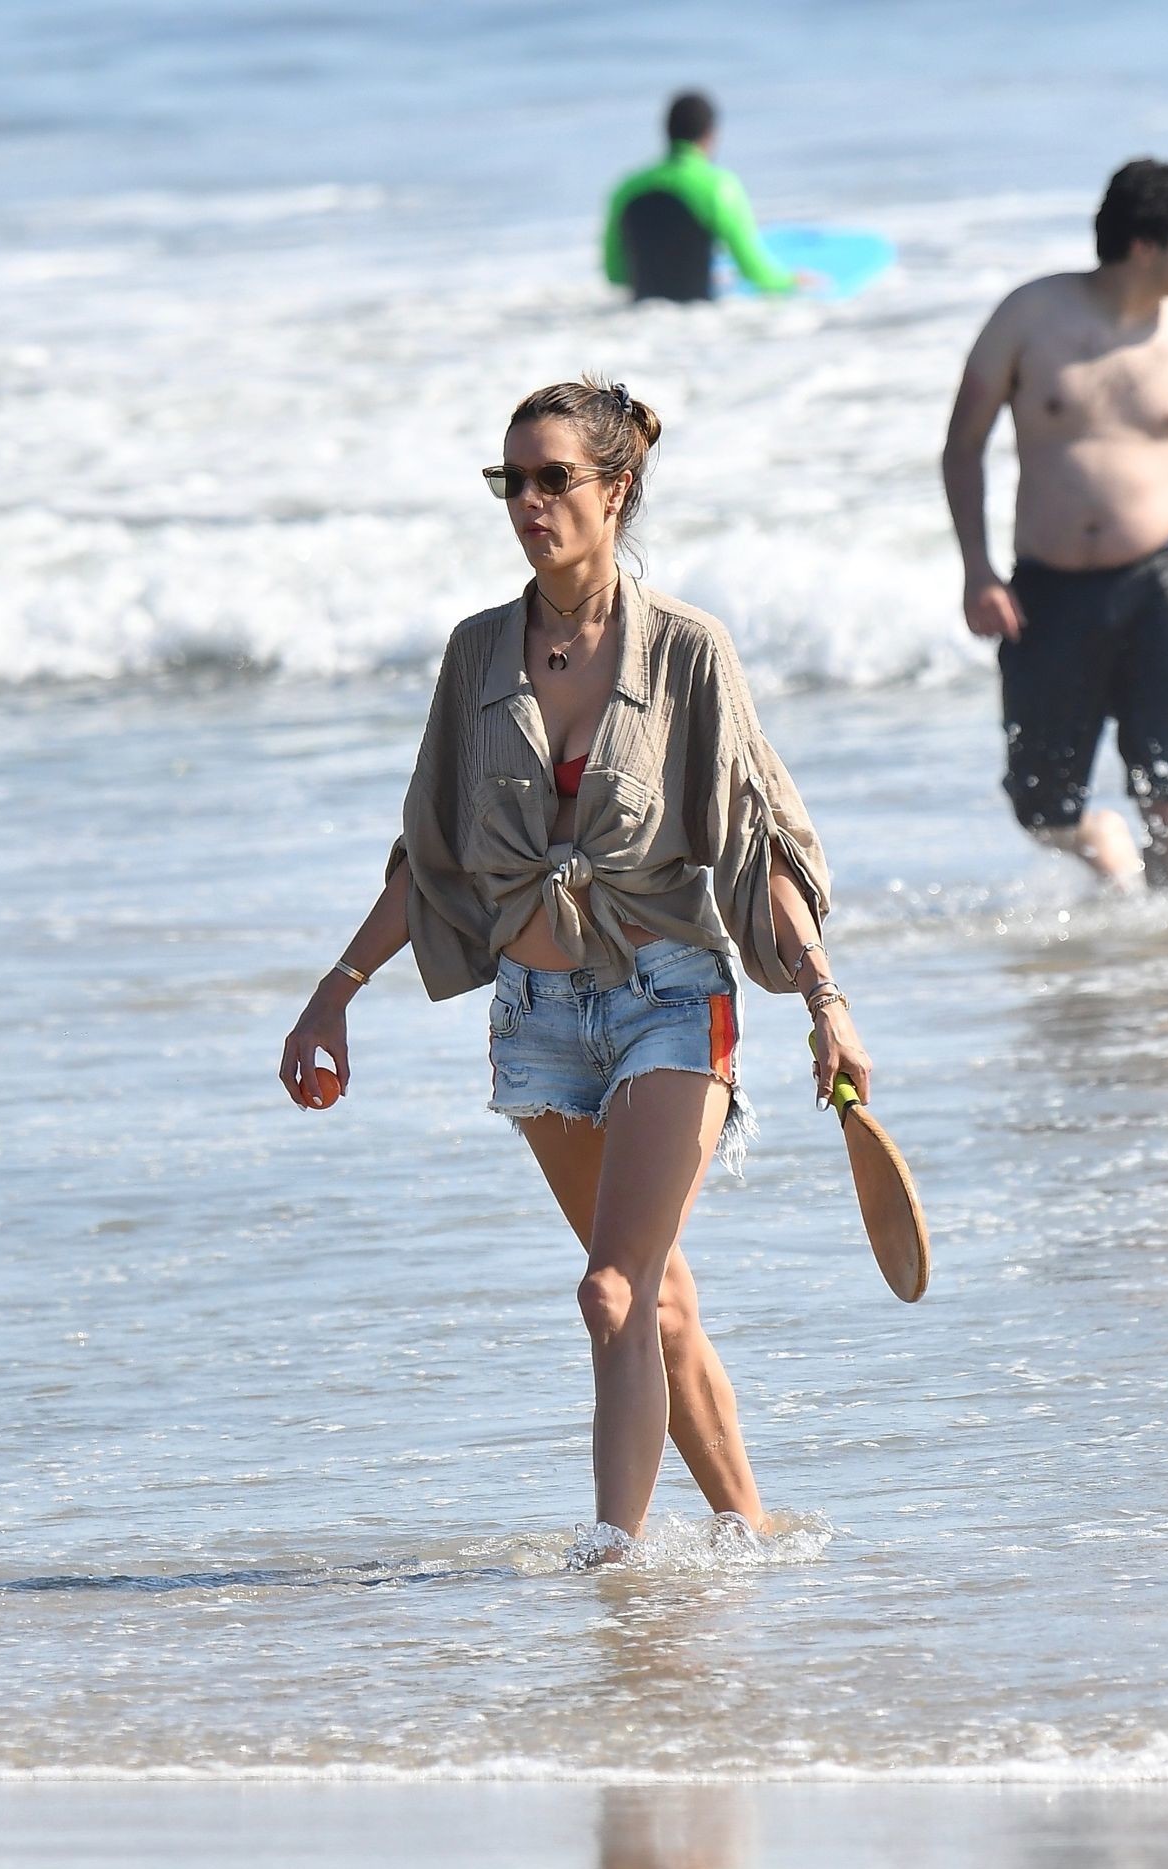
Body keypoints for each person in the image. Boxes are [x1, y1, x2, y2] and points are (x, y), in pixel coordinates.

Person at [280, 375, 871, 1563]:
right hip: (536, 1016)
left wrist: (824, 1002)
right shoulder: (475, 655)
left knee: (609, 1289)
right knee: (653, 1299)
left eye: (555, 479)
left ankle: (612, 1563)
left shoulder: (689, 650)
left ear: (618, 489)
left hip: (670, 1000)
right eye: (512, 481)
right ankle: (751, 1537)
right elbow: (433, 855)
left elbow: (756, 845)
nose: (530, 503)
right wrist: (333, 993)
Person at [942, 158, 1168, 888]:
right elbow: (963, 445)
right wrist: (978, 569)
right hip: (1050, 590)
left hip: (1166, 582)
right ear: (1145, 245)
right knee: (1041, 804)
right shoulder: (1029, 317)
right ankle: (1104, 847)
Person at [603, 91, 800, 303]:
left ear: (667, 132)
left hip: (642, 315)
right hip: (700, 315)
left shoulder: (627, 188)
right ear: (710, 134)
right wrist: (791, 281)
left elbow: (615, 274)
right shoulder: (718, 187)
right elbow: (754, 271)